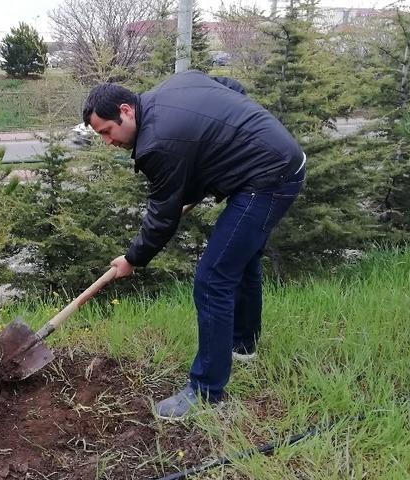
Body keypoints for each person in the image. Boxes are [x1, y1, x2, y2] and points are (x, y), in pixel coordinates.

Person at [82, 70, 306, 419]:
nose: (108, 142)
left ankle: (206, 391)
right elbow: (232, 87)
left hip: (269, 178)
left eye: (107, 132)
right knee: (240, 261)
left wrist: (132, 259)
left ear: (125, 110)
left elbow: (162, 216)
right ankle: (242, 346)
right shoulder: (175, 84)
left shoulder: (157, 143)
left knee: (212, 278)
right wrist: (229, 146)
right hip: (277, 163)